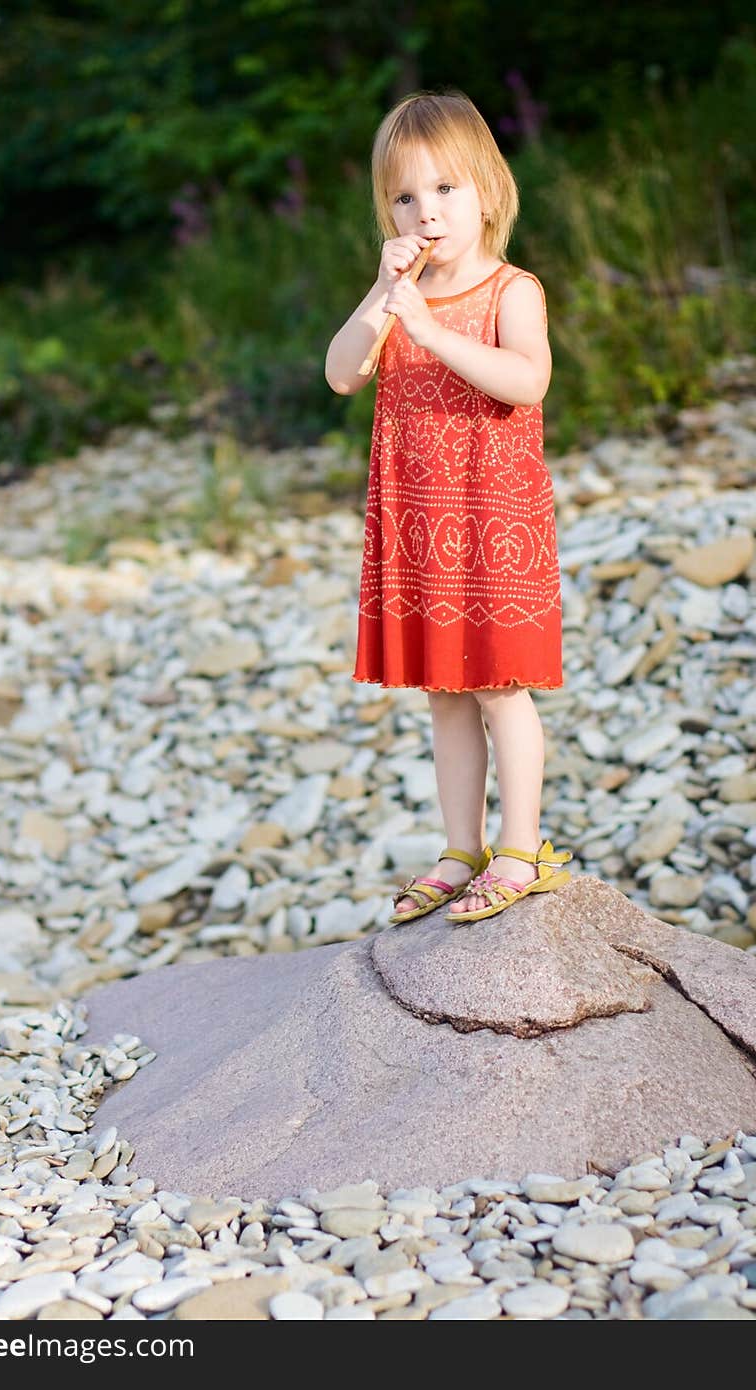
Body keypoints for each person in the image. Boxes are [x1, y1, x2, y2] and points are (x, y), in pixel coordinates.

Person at [324, 89, 573, 925]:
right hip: (421, 523)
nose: (424, 213)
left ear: (488, 193)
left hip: (491, 521)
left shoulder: (512, 290)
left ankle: (520, 846)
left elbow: (528, 380)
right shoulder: (400, 296)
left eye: (444, 190)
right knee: (444, 691)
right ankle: (460, 848)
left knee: (502, 686)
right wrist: (384, 294)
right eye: (403, 196)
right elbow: (340, 371)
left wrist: (428, 329)